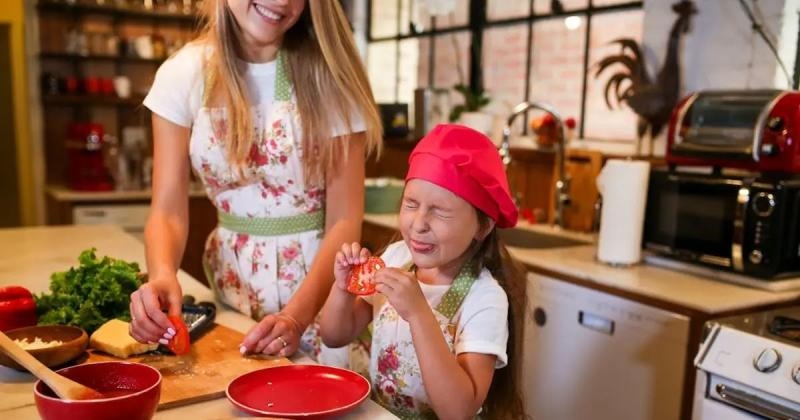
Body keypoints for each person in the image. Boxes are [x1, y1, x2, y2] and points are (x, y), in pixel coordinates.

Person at [128, 0, 382, 365]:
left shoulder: (330, 74)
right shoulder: (183, 73)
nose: (282, 2)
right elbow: (167, 210)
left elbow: (344, 220)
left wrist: (296, 318)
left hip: (322, 304)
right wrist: (162, 274)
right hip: (232, 294)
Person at [320, 124, 528, 419]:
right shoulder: (395, 258)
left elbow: (458, 411)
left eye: (440, 211)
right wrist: (342, 288)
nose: (418, 224)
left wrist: (418, 314)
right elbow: (334, 336)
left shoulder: (484, 299)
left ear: (483, 227)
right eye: (411, 204)